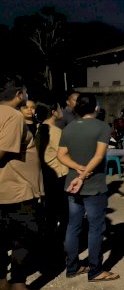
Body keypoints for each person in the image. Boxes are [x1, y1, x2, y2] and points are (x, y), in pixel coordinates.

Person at [0, 75, 52, 290]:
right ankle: (18, 289)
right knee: (25, 239)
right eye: (26, 92)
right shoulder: (13, 116)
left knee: (2, 241)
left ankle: (2, 285)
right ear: (19, 94)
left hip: (5, 191)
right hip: (18, 190)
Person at [58, 93, 119, 282]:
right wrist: (84, 175)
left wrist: (77, 169)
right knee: (95, 228)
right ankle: (95, 270)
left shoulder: (69, 127)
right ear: (95, 107)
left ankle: (72, 267)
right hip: (94, 185)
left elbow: (61, 155)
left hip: (72, 184)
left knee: (73, 226)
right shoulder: (102, 126)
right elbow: (99, 156)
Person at [35, 102, 70, 274]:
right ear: (54, 111)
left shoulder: (39, 129)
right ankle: (58, 254)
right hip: (58, 177)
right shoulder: (55, 131)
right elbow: (64, 155)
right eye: (60, 108)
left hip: (46, 176)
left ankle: (49, 253)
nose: (62, 111)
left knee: (50, 217)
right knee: (63, 216)